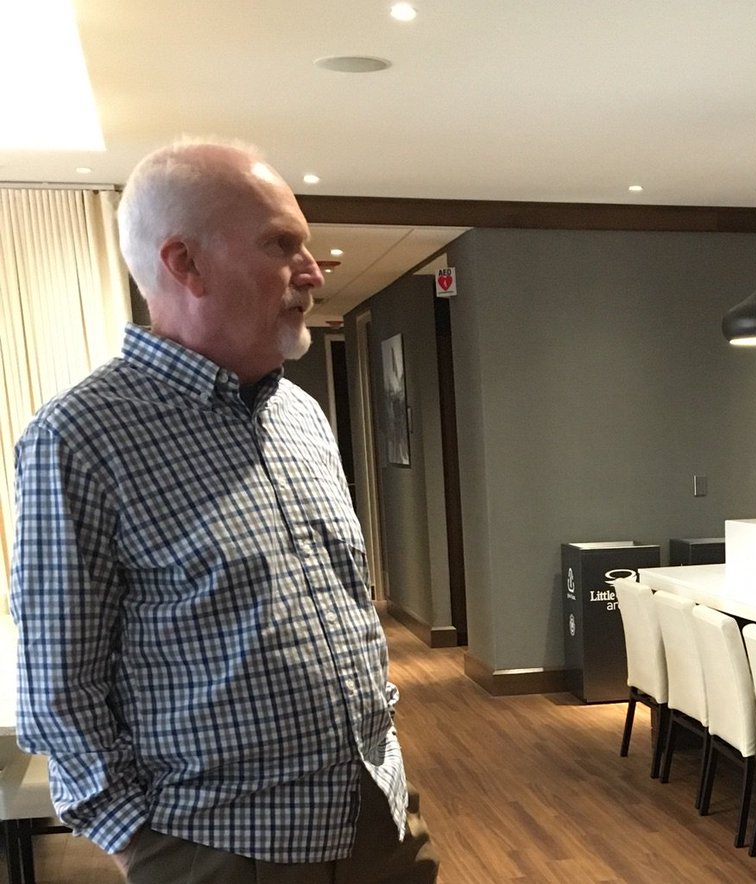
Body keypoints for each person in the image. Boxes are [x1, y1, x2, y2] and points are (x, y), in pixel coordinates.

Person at [10, 138, 438, 883]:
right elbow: (58, 686)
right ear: (185, 264)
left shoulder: (301, 415)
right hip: (219, 848)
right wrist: (140, 843)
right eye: (282, 246)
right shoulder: (78, 437)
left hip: (378, 815)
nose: (313, 271)